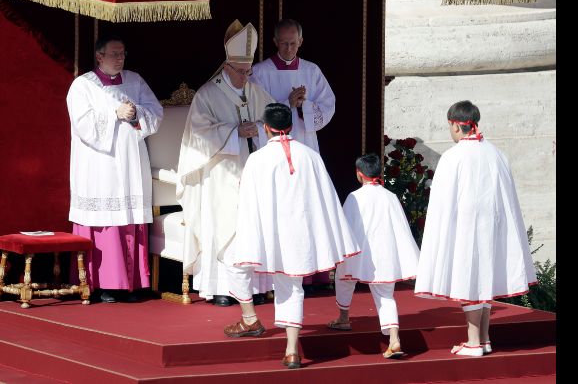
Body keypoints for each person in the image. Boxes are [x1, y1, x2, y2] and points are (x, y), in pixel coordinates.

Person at [222, 103, 360, 369]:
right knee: (291, 286)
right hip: (302, 235)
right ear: (292, 125)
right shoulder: (310, 155)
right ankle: (287, 347)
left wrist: (253, 235)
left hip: (271, 232)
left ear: (265, 128)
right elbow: (326, 198)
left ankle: (256, 322)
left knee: (234, 262)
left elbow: (248, 201)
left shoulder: (257, 158)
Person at [414, 101, 537, 356]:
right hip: (492, 226)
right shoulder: (496, 154)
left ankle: (473, 342)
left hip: (465, 227)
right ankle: (484, 338)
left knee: (468, 279)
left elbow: (442, 202)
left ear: (455, 125)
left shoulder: (453, 156)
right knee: (483, 280)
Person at [176, 20, 276, 306]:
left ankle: (252, 287)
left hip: (252, 171)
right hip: (220, 174)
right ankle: (221, 287)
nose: (246, 76)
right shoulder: (207, 94)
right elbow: (198, 135)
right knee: (224, 225)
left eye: (249, 71)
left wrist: (257, 128)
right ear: (227, 67)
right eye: (241, 72)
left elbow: (273, 120)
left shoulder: (256, 92)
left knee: (251, 225)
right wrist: (233, 132)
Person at [66, 35, 163, 303]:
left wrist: (137, 114)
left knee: (129, 217)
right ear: (99, 56)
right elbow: (83, 124)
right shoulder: (82, 85)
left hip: (131, 159)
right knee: (105, 221)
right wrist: (114, 114)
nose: (120, 59)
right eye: (114, 54)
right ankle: (103, 284)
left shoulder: (135, 80)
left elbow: (155, 111)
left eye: (122, 54)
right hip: (100, 164)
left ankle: (133, 284)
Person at [250, 18, 336, 292]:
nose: (288, 48)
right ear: (274, 42)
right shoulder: (260, 72)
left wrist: (304, 107)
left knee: (306, 206)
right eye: (283, 43)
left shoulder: (312, 71)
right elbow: (254, 108)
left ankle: (311, 272)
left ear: (301, 41)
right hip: (274, 151)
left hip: (305, 147)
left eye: (293, 43)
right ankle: (278, 272)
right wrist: (287, 103)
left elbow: (329, 106)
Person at [328, 153, 421, 359]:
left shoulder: (354, 197)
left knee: (343, 276)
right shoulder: (390, 196)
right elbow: (401, 228)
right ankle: (394, 339)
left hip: (359, 251)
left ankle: (344, 317)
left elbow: (345, 226)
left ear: (359, 174)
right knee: (386, 296)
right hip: (385, 253)